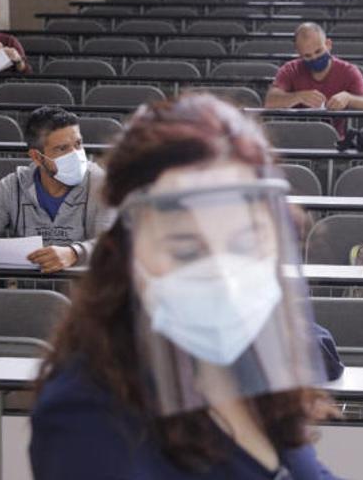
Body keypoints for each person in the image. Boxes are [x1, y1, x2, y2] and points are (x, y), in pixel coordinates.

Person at [30, 93, 340, 479]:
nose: (223, 274)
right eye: (185, 246)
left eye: (246, 241)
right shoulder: (87, 417)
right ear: (127, 253)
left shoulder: (250, 365)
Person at [0, 106, 113, 273]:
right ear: (36, 157)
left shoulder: (103, 184)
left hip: (85, 293)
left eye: (78, 144)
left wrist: (74, 253)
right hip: (25, 293)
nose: (75, 154)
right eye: (62, 148)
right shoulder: (11, 187)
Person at [265, 22, 363, 137]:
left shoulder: (348, 71)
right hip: (296, 137)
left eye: (318, 51)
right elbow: (269, 103)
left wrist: (348, 98)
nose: (314, 58)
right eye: (307, 55)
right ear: (299, 54)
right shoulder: (290, 69)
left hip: (337, 141)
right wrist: (298, 96)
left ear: (328, 44)